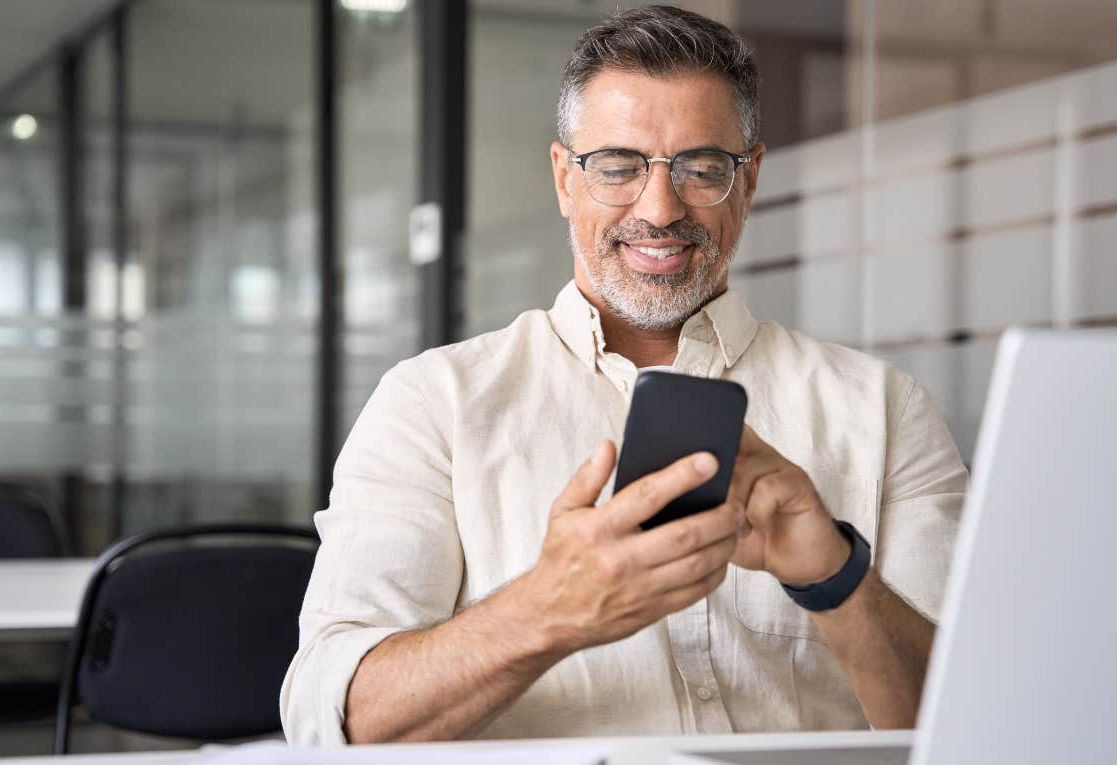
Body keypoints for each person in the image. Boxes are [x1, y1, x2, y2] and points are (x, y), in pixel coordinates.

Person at [281, 4, 966, 745]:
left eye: (703, 168)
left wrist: (837, 580)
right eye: (617, 167)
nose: (660, 207)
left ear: (752, 178)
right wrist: (548, 608)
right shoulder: (434, 405)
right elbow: (334, 719)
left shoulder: (884, 409)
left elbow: (985, 718)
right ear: (563, 179)